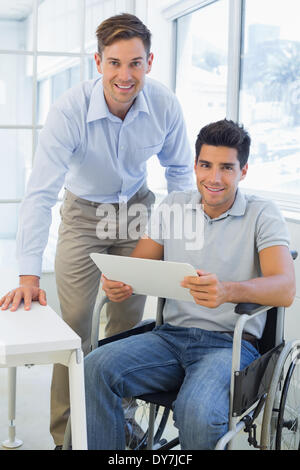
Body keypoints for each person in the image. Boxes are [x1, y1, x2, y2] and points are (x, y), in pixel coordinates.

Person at [0, 14, 194, 447]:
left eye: (135, 63)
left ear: (150, 62)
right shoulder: (69, 109)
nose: (125, 75)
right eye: (114, 63)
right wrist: (28, 276)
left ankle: (117, 422)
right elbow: (41, 192)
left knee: (125, 325)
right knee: (73, 328)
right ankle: (67, 434)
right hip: (84, 215)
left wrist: (176, 244)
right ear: (98, 62)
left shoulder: (164, 104)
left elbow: (180, 173)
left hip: (136, 213)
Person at [84, 119, 296, 450]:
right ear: (195, 165)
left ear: (244, 170)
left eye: (226, 167)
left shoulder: (262, 214)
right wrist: (120, 283)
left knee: (196, 409)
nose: (214, 178)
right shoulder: (173, 206)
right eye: (206, 165)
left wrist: (228, 291)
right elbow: (137, 267)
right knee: (94, 368)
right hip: (169, 338)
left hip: (230, 346)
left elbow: (285, 288)